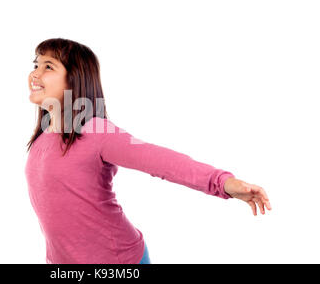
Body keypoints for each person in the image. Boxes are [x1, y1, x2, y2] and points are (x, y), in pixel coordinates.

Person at [25, 38, 272, 264]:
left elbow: (161, 161)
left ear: (75, 78)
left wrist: (223, 182)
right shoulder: (41, 138)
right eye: (36, 64)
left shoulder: (97, 131)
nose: (35, 74)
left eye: (48, 66)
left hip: (119, 261)